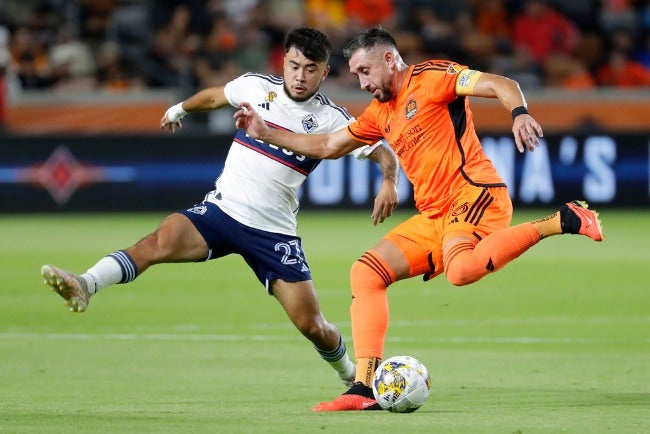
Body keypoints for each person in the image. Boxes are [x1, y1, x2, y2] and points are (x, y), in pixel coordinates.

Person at [233, 27, 604, 411]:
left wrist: (519, 113)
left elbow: (499, 82)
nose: (361, 82)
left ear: (389, 60)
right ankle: (363, 389)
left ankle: (561, 220)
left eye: (364, 71)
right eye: (356, 75)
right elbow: (329, 144)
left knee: (460, 271)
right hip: (435, 215)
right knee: (366, 272)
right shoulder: (381, 112)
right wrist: (267, 132)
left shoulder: (432, 78)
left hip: (474, 194)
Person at [41, 27, 399, 389]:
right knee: (156, 242)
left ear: (324, 73)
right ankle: (85, 284)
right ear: (283, 62)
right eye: (294, 65)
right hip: (221, 213)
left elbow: (381, 151)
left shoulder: (332, 120)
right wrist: (179, 107)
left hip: (273, 234)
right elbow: (216, 97)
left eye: (310, 69)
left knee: (313, 326)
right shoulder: (255, 87)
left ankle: (351, 375)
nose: (300, 76)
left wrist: (388, 180)